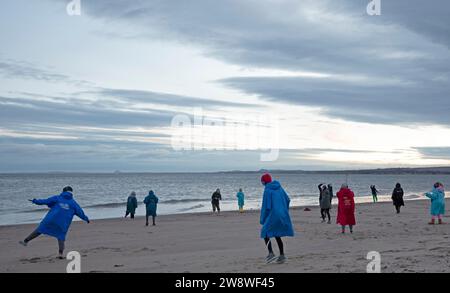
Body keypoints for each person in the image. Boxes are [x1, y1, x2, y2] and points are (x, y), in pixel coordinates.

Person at [19, 186, 90, 259]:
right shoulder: (73, 203)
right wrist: (86, 219)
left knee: (40, 229)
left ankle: (25, 241)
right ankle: (60, 254)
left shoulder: (57, 198)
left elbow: (45, 201)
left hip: (51, 219)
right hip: (63, 223)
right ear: (71, 193)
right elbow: (80, 212)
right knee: (61, 237)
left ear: (63, 192)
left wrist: (35, 201)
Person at [260, 173, 294, 264]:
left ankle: (271, 253)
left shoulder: (267, 189)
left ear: (264, 181)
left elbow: (266, 206)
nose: (262, 183)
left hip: (273, 214)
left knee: (265, 232)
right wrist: (284, 210)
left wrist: (263, 219)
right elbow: (287, 199)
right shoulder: (279, 188)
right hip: (282, 213)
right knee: (277, 234)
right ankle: (282, 255)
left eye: (262, 181)